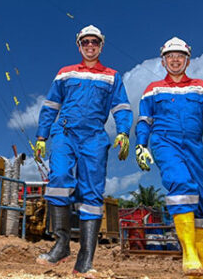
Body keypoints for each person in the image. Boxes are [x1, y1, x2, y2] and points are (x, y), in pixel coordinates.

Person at [33, 25, 133, 275]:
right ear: (79, 46)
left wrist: (123, 131)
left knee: (92, 194)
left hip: (94, 137)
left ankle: (85, 260)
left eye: (94, 42)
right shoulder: (65, 73)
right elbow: (51, 105)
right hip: (65, 133)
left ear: (101, 46)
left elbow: (121, 106)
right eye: (85, 42)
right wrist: (42, 136)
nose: (90, 46)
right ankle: (61, 245)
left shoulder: (111, 76)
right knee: (58, 179)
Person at [134, 37, 203, 278]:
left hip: (194, 147)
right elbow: (144, 119)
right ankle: (189, 255)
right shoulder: (153, 89)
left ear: (188, 60)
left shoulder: (201, 86)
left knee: (200, 206)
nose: (175, 60)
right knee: (180, 183)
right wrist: (141, 144)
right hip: (164, 141)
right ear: (163, 61)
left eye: (180, 56)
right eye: (170, 56)